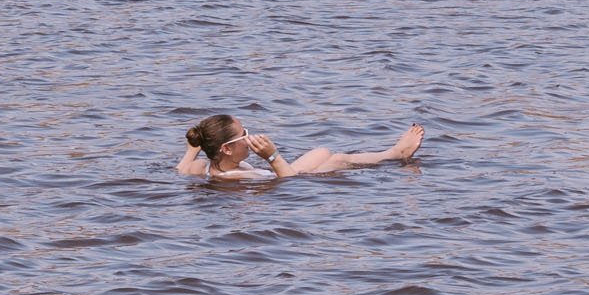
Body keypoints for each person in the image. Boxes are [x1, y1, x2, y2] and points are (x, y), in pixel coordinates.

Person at [175, 113, 424, 180]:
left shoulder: (202, 167)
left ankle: (392, 153)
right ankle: (394, 153)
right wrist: (272, 156)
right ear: (227, 148)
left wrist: (192, 148)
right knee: (334, 160)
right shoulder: (241, 178)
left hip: (281, 171)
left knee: (322, 152)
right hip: (293, 176)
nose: (249, 137)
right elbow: (288, 181)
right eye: (244, 134)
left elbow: (182, 169)